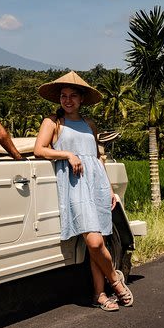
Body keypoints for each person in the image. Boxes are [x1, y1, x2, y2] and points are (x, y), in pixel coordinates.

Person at [33, 71, 133, 312]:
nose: (68, 100)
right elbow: (39, 149)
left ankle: (99, 294)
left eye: (73, 96)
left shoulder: (89, 124)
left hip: (96, 185)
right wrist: (67, 154)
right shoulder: (53, 122)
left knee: (94, 245)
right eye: (63, 96)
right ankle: (116, 282)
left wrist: (108, 188)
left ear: (81, 99)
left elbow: (98, 157)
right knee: (95, 241)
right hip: (74, 186)